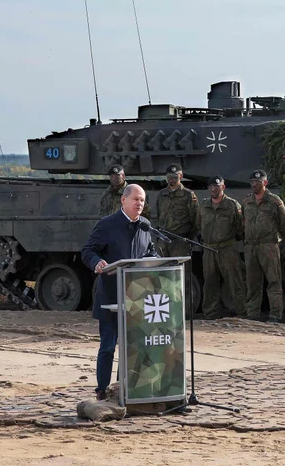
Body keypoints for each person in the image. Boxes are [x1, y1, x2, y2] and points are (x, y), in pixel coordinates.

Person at [80, 184, 157, 401]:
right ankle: (102, 390)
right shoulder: (107, 224)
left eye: (142, 200)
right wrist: (97, 262)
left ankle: (122, 387)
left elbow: (150, 251)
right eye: (136, 199)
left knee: (130, 348)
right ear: (123, 200)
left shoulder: (145, 226)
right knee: (108, 347)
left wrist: (154, 261)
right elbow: (88, 251)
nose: (139, 204)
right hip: (111, 297)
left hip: (136, 298)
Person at [242, 169, 285, 323]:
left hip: (268, 245)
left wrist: (277, 239)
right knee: (252, 282)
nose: (254, 184)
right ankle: (252, 313)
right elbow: (242, 222)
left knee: (273, 281)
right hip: (251, 246)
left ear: (265, 183)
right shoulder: (247, 202)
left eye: (258, 182)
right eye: (252, 182)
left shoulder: (274, 201)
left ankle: (275, 314)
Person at [197, 176, 246, 320]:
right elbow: (198, 224)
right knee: (210, 283)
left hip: (227, 249)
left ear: (223, 187)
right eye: (211, 187)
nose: (213, 189)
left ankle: (242, 312)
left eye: (216, 187)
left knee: (235, 282)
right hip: (209, 249)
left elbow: (240, 228)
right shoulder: (203, 205)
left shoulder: (232, 205)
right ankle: (210, 314)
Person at [154, 163, 199, 258]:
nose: (171, 179)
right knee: (161, 266)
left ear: (181, 176)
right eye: (169, 176)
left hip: (180, 240)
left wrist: (187, 238)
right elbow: (159, 215)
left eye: (175, 176)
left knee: (180, 266)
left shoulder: (188, 195)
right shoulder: (161, 194)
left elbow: (196, 219)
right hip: (163, 239)